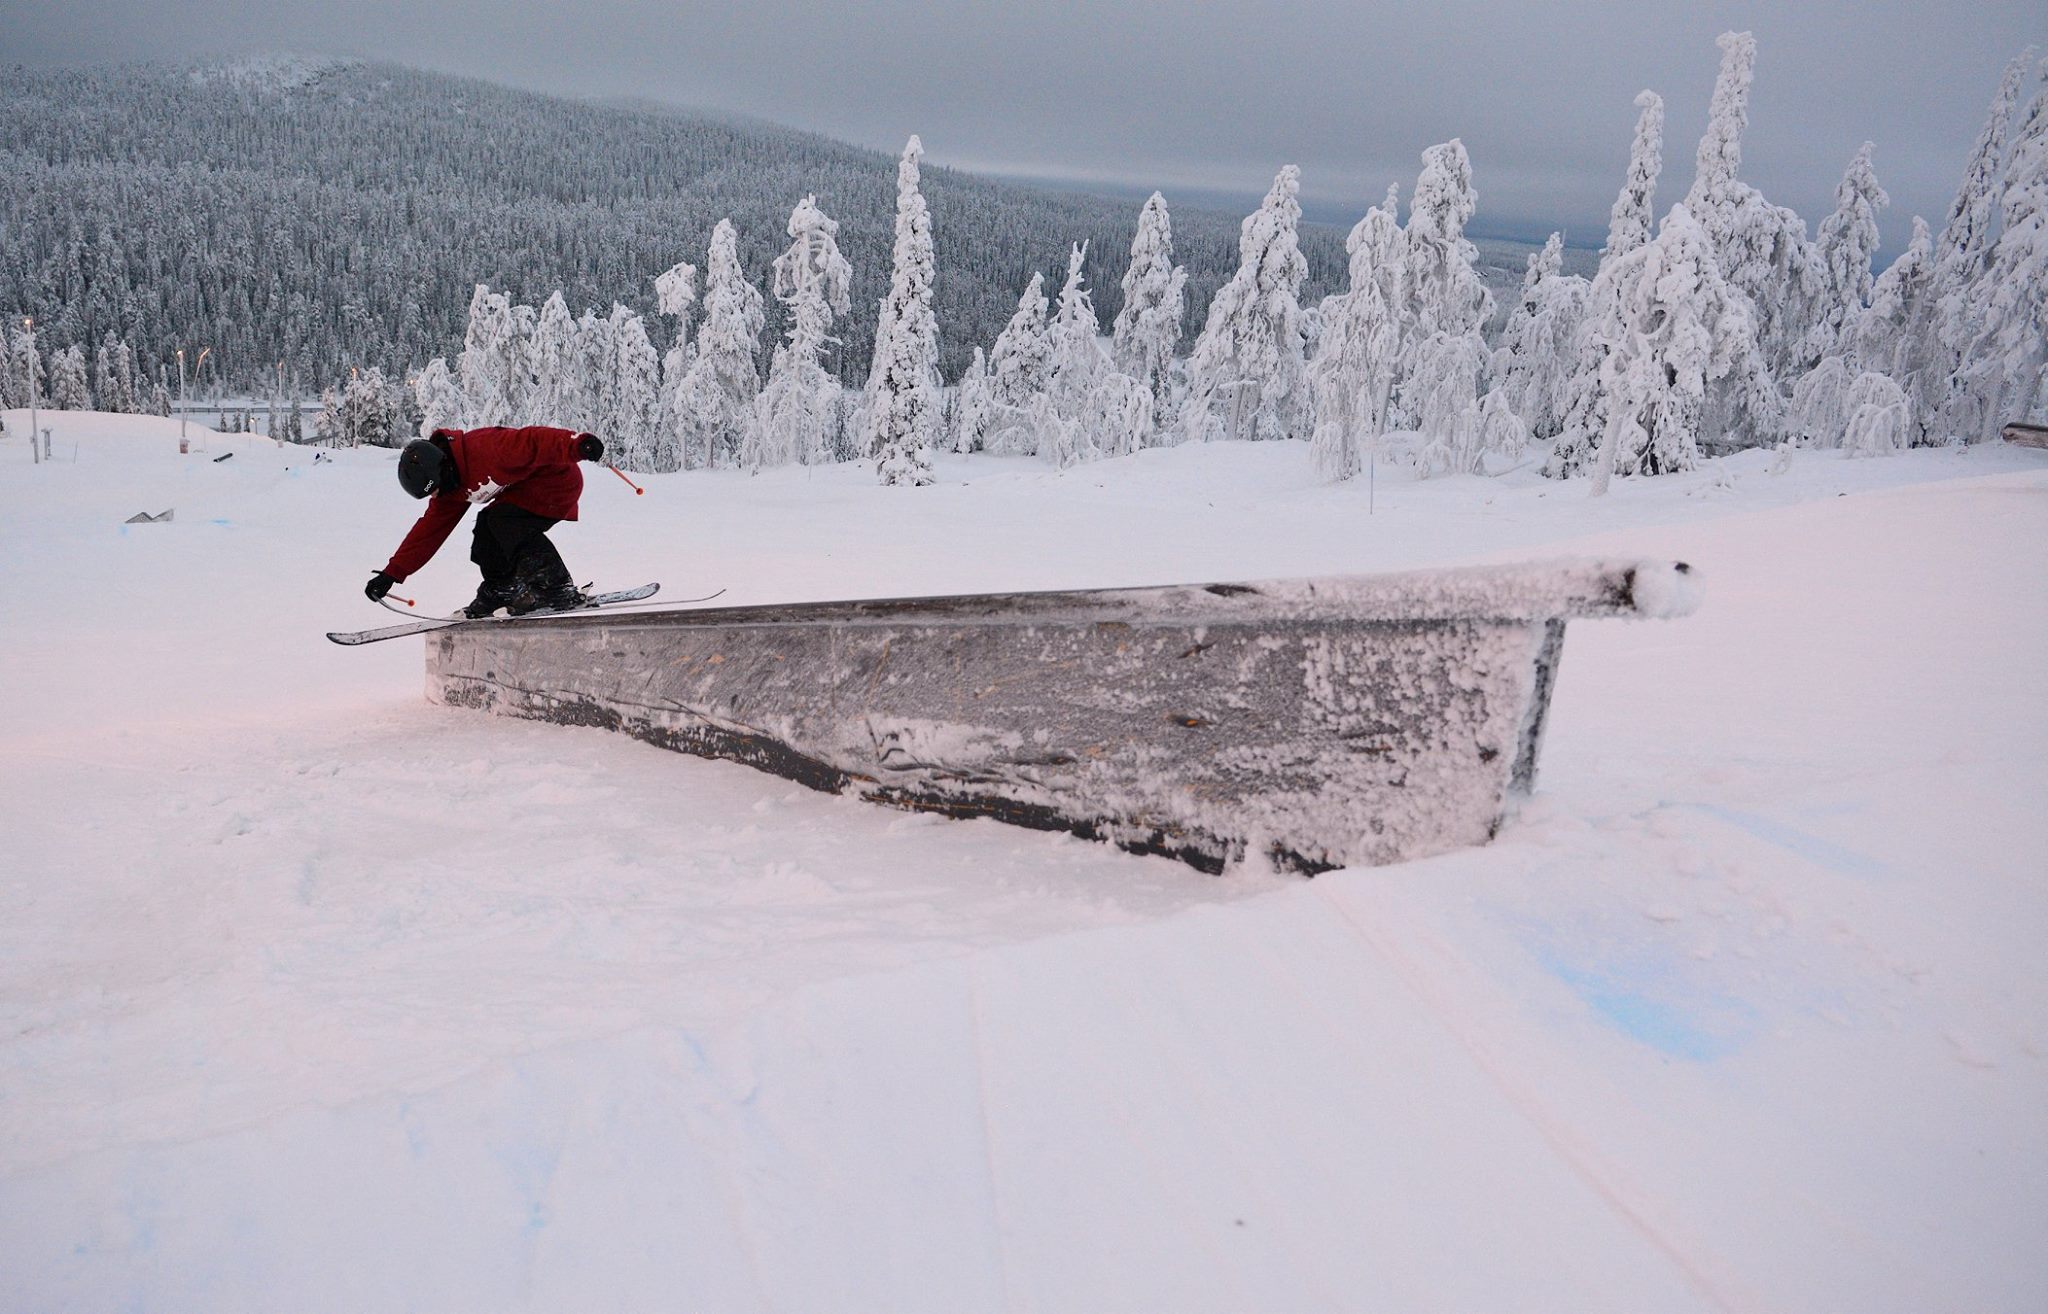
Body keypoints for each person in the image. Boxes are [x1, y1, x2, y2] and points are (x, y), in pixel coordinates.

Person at [365, 425, 607, 618]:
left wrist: (577, 444)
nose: (437, 496)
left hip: (557, 481)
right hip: (524, 491)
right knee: (486, 526)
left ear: (443, 470)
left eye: (435, 489)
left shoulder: (486, 449)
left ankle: (556, 587)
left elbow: (534, 440)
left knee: (504, 521)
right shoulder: (450, 489)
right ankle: (502, 590)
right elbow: (428, 532)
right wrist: (391, 574)